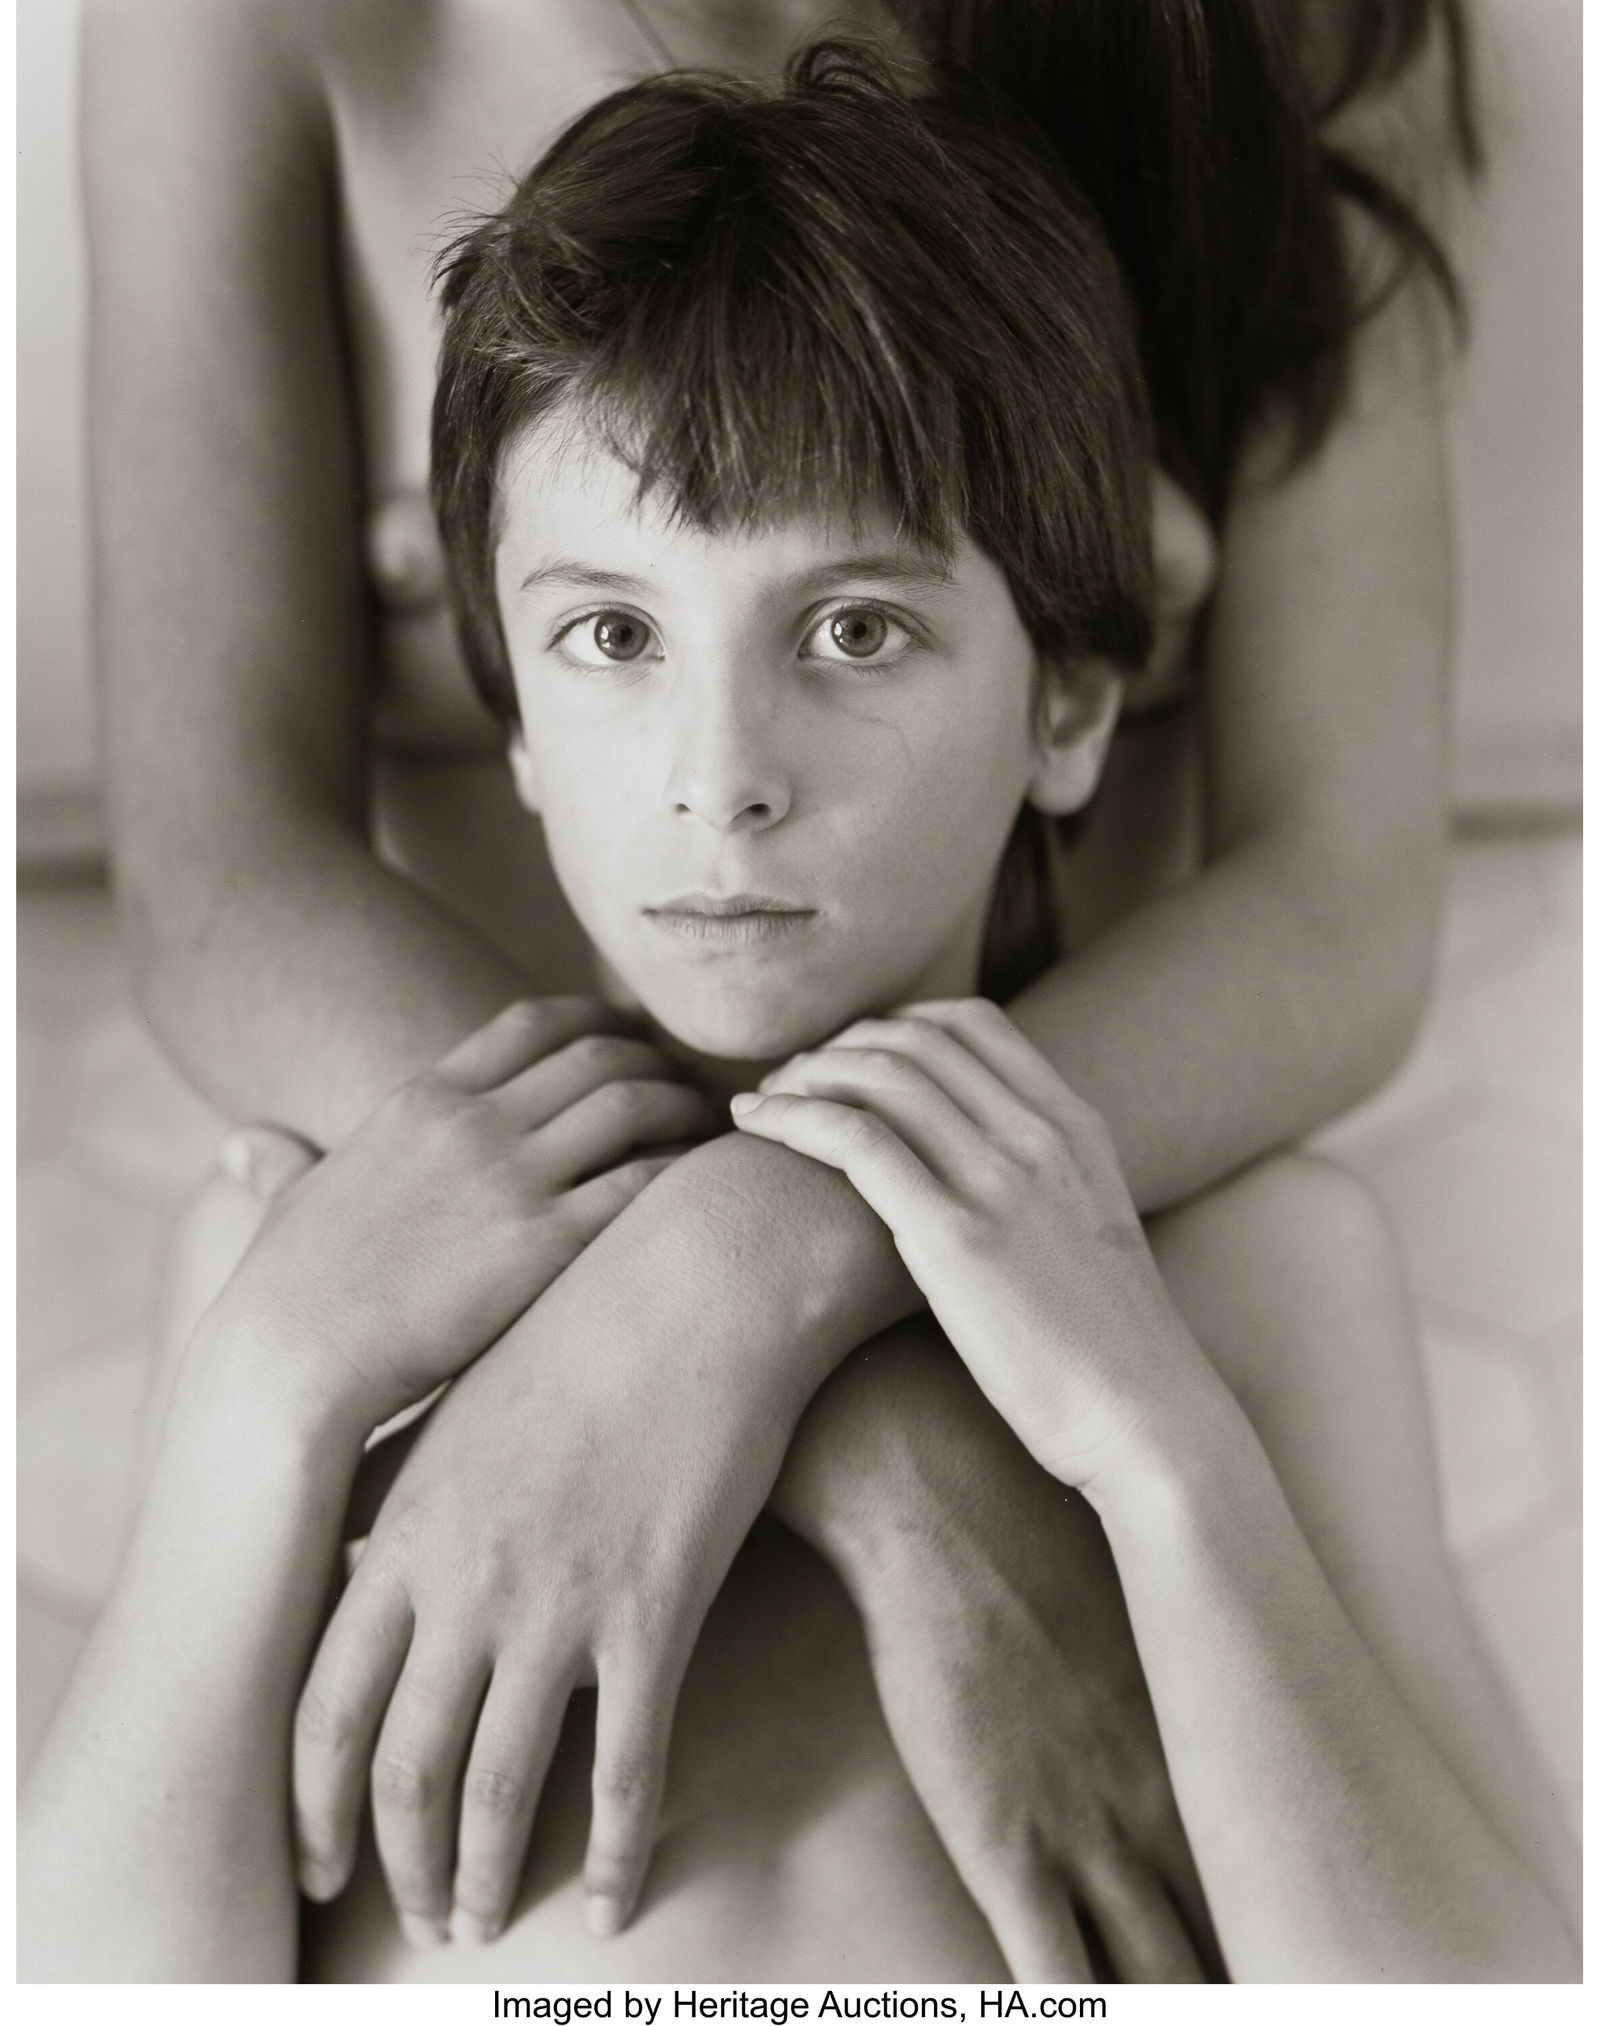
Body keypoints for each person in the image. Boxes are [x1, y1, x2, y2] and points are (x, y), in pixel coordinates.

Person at [32, 45, 1576, 1982]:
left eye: (852, 628)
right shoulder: (317, 1253)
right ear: (501, 698)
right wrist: (271, 1395)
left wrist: (1153, 1461)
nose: (721, 774)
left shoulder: (1249, 1271)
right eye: (610, 635)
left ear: (1075, 702)